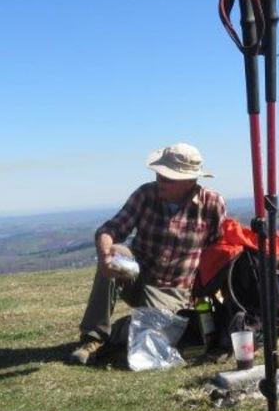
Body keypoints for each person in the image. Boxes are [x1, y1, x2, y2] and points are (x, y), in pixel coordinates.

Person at [69, 143, 226, 365]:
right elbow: (111, 229)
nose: (159, 180)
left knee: (154, 335)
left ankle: (123, 330)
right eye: (159, 174)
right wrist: (105, 257)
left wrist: (209, 295)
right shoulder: (145, 194)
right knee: (115, 253)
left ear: (189, 181)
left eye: (167, 178)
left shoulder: (212, 204)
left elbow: (217, 251)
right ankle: (92, 337)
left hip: (174, 290)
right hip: (138, 275)